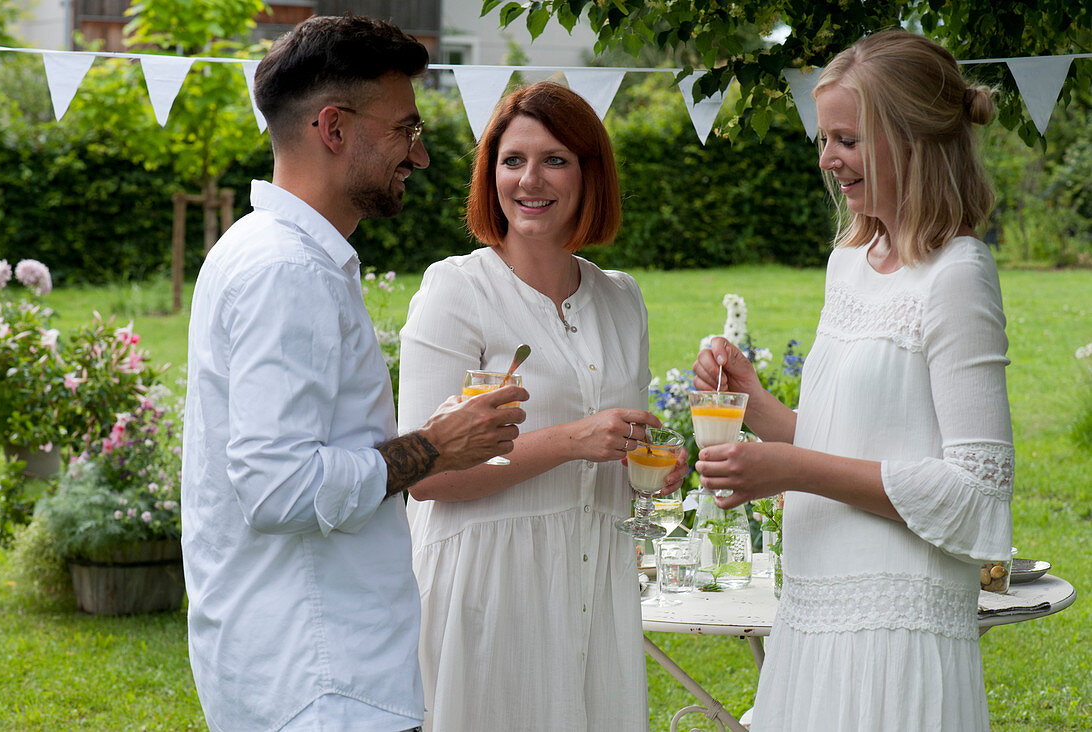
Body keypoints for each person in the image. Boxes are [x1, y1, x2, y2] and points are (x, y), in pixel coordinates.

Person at [180, 16, 528, 731]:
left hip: (309, 669)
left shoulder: (269, 251)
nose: (420, 156)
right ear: (333, 128)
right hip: (318, 682)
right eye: (406, 130)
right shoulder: (288, 271)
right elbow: (276, 486)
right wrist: (436, 447)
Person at [693, 29, 1013, 730]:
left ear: (916, 139)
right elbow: (846, 443)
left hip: (897, 628)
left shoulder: (958, 275)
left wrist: (790, 469)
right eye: (825, 140)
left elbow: (977, 489)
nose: (830, 159)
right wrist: (750, 403)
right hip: (812, 609)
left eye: (849, 139)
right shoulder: (851, 261)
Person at [397, 81, 686, 731]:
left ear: (591, 175)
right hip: (489, 591)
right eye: (512, 159)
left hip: (595, 584)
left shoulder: (621, 299)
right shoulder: (455, 292)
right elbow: (426, 476)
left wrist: (653, 468)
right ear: (490, 173)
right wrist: (573, 440)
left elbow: (618, 451)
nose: (530, 179)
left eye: (555, 159)